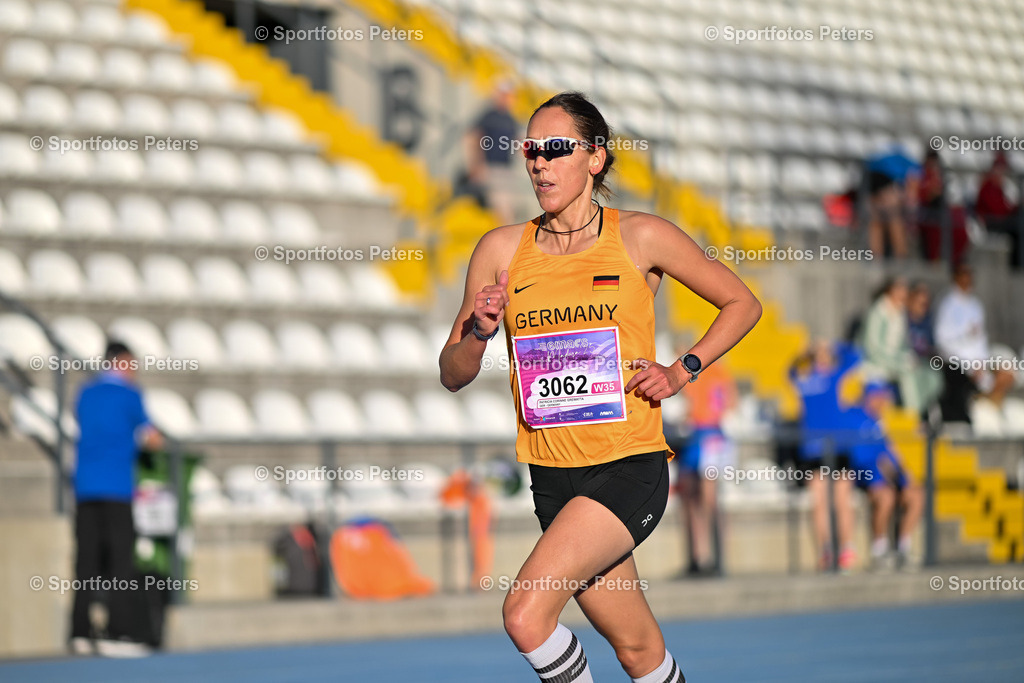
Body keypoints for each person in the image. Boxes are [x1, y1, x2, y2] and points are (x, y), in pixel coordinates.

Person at [439, 91, 761, 683]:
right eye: (531, 150)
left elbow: (742, 302)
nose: (538, 163)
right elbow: (452, 373)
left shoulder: (640, 237)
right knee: (639, 652)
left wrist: (682, 369)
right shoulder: (500, 250)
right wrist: (481, 333)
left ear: (595, 158)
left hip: (627, 466)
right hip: (552, 478)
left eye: (555, 149)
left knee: (525, 615)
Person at [70, 341, 163, 657]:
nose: (135, 371)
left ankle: (79, 633)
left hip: (85, 489)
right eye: (132, 365)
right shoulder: (129, 395)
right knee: (121, 563)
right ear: (121, 362)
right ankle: (119, 632)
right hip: (116, 489)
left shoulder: (85, 393)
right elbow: (151, 437)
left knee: (86, 563)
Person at [789, 340, 860, 571]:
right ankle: (825, 550)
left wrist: (833, 347)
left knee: (842, 501)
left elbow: (855, 356)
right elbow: (789, 371)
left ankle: (846, 549)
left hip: (838, 446)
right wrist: (806, 353)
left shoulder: (835, 375)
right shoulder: (805, 378)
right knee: (818, 503)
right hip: (813, 449)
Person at [848, 383, 923, 571]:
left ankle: (903, 548)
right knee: (886, 497)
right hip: (868, 477)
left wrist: (905, 478)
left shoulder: (878, 422)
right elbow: (862, 458)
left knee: (916, 495)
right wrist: (886, 470)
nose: (882, 402)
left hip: (888, 476)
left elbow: (890, 453)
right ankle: (879, 550)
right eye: (878, 397)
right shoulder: (855, 419)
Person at [676, 361, 737, 577]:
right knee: (694, 498)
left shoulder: (704, 372)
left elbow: (691, 405)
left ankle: (711, 557)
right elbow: (731, 403)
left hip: (706, 433)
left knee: (707, 499)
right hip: (705, 434)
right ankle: (702, 558)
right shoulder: (720, 370)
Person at [934, 263, 1015, 417]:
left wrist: (981, 362)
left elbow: (980, 339)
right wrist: (969, 364)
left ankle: (990, 409)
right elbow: (943, 342)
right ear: (956, 277)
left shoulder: (975, 305)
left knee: (1007, 372)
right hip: (956, 361)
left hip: (977, 361)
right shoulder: (946, 305)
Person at [858, 277, 943, 413]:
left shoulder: (901, 313)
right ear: (891, 291)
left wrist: (908, 356)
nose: (903, 293)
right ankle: (912, 416)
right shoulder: (878, 313)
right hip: (875, 361)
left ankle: (925, 412)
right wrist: (897, 362)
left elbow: (903, 344)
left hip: (895, 359)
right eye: (900, 289)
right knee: (908, 374)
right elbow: (872, 348)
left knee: (931, 375)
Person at [462, 82, 522, 225]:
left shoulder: (510, 118)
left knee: (505, 210)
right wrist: (476, 165)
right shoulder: (489, 116)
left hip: (505, 169)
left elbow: (518, 142)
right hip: (489, 168)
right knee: (494, 209)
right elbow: (473, 139)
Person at [975, 152, 1022, 269]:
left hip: (999, 220)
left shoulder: (998, 188)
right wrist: (1013, 209)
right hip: (991, 221)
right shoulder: (988, 187)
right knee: (1018, 227)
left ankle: (1017, 264)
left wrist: (1017, 207)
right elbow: (997, 210)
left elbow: (1004, 207)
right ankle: (1016, 266)